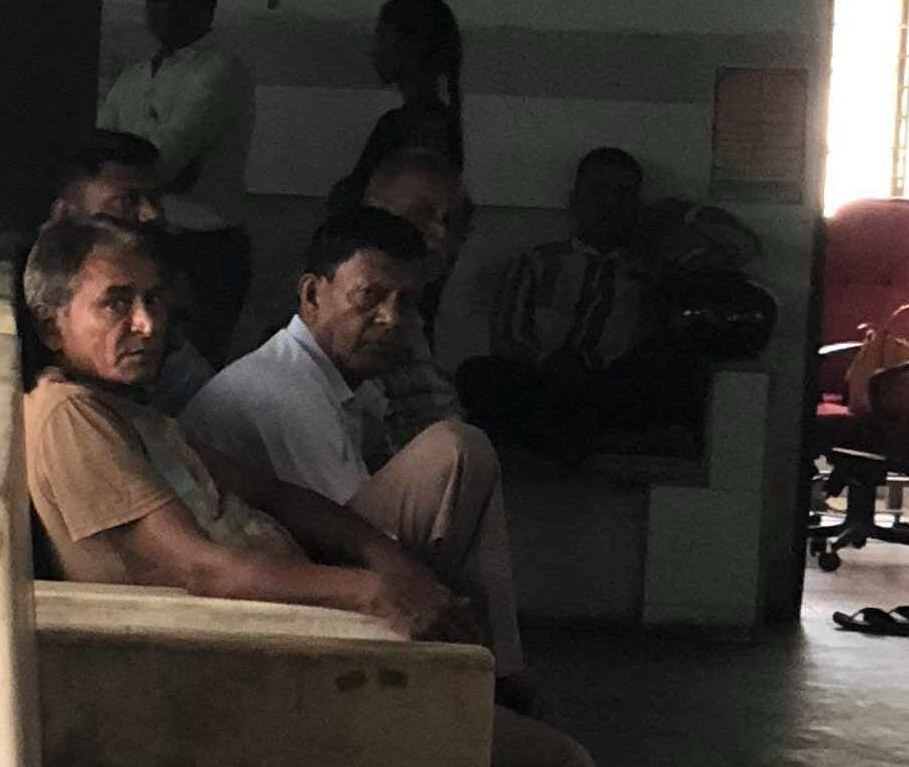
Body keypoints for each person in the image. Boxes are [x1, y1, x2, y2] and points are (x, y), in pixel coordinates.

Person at [15, 213, 878, 767]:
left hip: (288, 659)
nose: (146, 324)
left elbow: (277, 494)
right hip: (240, 693)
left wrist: (388, 560)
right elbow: (200, 567)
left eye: (154, 302)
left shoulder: (135, 413)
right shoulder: (69, 417)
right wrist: (369, 595)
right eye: (116, 304)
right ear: (53, 322)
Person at [182, 208, 528, 690]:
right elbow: (351, 541)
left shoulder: (345, 383)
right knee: (456, 450)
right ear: (311, 295)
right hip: (272, 592)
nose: (390, 318)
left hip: (302, 560)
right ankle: (491, 675)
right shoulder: (282, 389)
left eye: (406, 303)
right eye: (369, 297)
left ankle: (493, 670)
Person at [457, 147, 695, 461]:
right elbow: (509, 337)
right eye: (597, 192)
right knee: (476, 374)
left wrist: (678, 218)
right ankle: (592, 439)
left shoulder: (649, 273)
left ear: (636, 205)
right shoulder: (536, 263)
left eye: (623, 194)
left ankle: (556, 436)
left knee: (669, 364)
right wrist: (552, 365)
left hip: (608, 391)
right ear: (574, 200)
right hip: (541, 384)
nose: (609, 204)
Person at [97, 0, 254, 365]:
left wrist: (134, 171)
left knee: (193, 373)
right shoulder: (133, 77)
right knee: (144, 365)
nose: (166, 9)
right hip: (145, 240)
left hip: (206, 249)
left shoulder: (219, 71)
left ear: (210, 6)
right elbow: (99, 158)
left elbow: (164, 165)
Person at [46, 131, 210, 414]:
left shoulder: (168, 274)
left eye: (154, 199)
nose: (150, 214)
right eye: (126, 202)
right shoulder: (37, 290)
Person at [361, 147, 473, 449]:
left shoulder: (409, 314)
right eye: (421, 213)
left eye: (449, 220)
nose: (438, 232)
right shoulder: (354, 316)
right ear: (372, 214)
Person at [333, 0, 466, 209]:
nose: (373, 51)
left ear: (410, 47)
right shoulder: (433, 121)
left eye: (382, 36)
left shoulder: (414, 125)